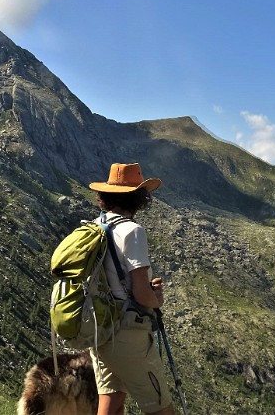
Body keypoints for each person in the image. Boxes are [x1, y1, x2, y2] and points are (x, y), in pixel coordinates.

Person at [87, 162, 174, 415]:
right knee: (160, 407)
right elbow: (141, 294)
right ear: (138, 198)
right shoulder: (132, 231)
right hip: (127, 334)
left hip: (99, 328)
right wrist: (156, 299)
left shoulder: (95, 227)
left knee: (110, 403)